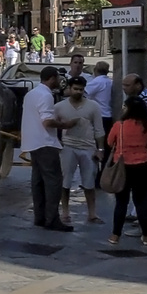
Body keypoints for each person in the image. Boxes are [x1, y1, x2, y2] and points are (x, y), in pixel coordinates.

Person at [21, 66, 73, 231]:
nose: (58, 80)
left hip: (32, 141)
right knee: (53, 182)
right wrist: (65, 124)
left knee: (38, 182)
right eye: (57, 77)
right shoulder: (46, 95)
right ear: (52, 78)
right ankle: (52, 218)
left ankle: (40, 216)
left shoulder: (31, 94)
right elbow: (47, 121)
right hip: (45, 142)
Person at [106, 95, 147, 245]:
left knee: (121, 202)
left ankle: (115, 235)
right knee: (141, 202)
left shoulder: (119, 125)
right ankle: (146, 235)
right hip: (143, 165)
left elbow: (110, 142)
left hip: (122, 165)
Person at [54, 75, 103, 225]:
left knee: (89, 182)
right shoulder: (59, 107)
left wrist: (100, 149)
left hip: (88, 147)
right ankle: (65, 212)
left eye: (81, 89)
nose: (78, 92)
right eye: (75, 89)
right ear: (69, 89)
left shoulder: (93, 106)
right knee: (65, 181)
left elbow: (99, 130)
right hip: (68, 146)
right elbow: (53, 126)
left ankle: (92, 213)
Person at [86, 61, 115, 140]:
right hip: (108, 114)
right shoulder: (109, 81)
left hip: (100, 115)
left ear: (95, 70)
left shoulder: (97, 81)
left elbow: (84, 92)